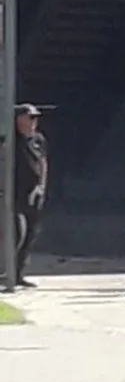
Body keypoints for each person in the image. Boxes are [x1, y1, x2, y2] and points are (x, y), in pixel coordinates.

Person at [11, 104, 48, 288]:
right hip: (15, 193)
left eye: (35, 118)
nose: (33, 122)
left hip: (33, 195)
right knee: (17, 232)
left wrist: (41, 186)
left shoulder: (38, 139)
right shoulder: (12, 139)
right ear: (19, 119)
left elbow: (43, 162)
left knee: (31, 234)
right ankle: (7, 271)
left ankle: (18, 274)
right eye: (30, 117)